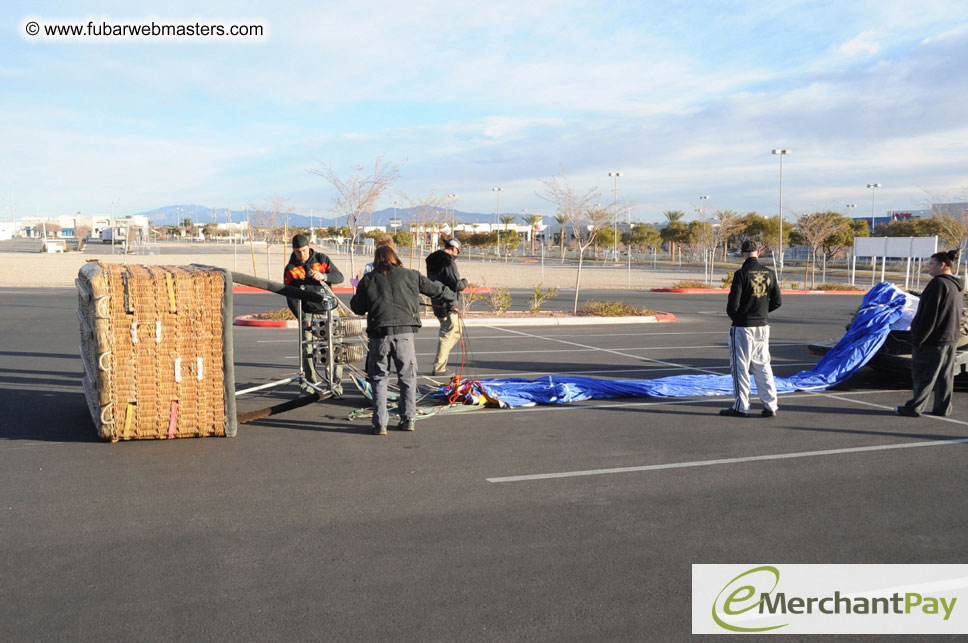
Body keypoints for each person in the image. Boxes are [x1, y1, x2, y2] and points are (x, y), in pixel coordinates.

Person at [351, 245, 456, 435]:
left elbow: (358, 308)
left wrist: (359, 292)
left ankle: (380, 424)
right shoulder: (411, 275)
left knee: (378, 379)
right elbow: (436, 289)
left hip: (379, 336)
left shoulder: (368, 279)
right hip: (404, 335)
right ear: (394, 257)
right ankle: (408, 419)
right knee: (407, 378)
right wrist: (451, 300)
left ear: (376, 259)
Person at [894, 249, 964, 418]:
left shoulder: (938, 284)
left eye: (931, 264)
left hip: (934, 339)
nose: (929, 268)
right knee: (944, 376)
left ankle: (914, 408)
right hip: (950, 338)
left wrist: (918, 338)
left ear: (943, 265)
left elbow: (929, 315)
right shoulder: (956, 285)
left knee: (925, 374)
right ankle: (942, 408)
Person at [721, 239, 782, 418]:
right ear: (758, 252)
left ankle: (742, 406)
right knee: (763, 366)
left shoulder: (741, 274)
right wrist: (761, 312)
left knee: (741, 367)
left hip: (743, 328)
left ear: (743, 254)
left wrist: (740, 317)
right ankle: (771, 405)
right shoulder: (770, 273)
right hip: (762, 326)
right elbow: (777, 301)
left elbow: (732, 305)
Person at [283, 234, 345, 394]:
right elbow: (290, 297)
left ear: (309, 246)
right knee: (308, 350)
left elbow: (339, 277)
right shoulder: (290, 268)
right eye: (297, 252)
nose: (301, 254)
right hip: (308, 314)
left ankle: (335, 384)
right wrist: (302, 318)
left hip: (329, 310)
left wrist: (324, 276)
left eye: (303, 250)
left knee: (335, 347)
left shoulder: (322, 259)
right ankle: (310, 385)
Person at [425, 237, 468, 376]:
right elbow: (456, 284)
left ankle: (441, 363)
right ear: (454, 249)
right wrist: (465, 282)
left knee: (453, 332)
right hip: (447, 303)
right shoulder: (448, 262)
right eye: (458, 252)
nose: (457, 255)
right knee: (448, 333)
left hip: (437, 301)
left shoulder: (432, 259)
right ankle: (439, 367)